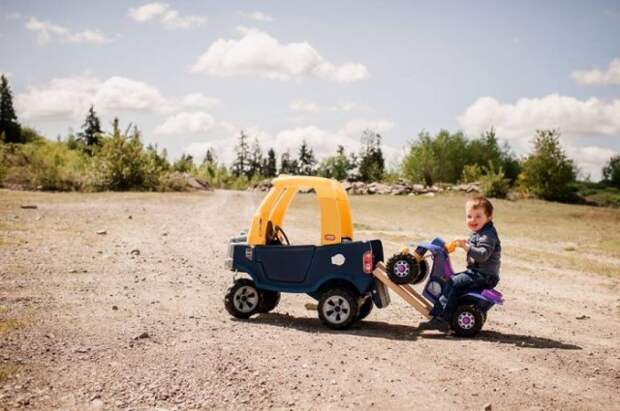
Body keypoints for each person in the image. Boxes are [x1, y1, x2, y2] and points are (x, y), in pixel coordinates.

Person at [424, 196, 501, 331]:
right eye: (469, 216)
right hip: (479, 273)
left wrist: (466, 247)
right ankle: (452, 310)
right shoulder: (480, 232)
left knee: (453, 282)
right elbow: (475, 243)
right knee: (454, 280)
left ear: (489, 217)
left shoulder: (488, 235)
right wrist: (462, 242)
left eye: (478, 216)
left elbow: (482, 255)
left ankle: (442, 318)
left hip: (484, 275)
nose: (473, 220)